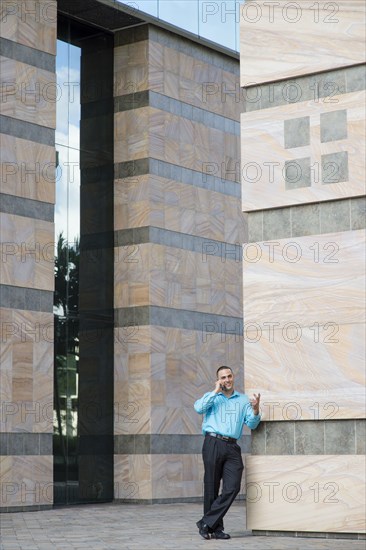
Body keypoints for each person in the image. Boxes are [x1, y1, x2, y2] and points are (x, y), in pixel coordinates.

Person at [194, 365, 261, 540]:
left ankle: (206, 522)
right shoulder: (213, 398)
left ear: (233, 377)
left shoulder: (243, 400)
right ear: (218, 380)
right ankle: (215, 529)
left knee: (232, 487)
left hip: (232, 446)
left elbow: (252, 424)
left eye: (229, 376)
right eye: (223, 377)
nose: (227, 380)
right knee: (212, 487)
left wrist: (255, 410)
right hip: (213, 442)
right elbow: (199, 408)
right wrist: (215, 391)